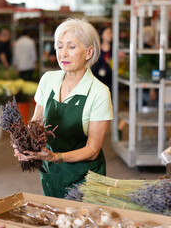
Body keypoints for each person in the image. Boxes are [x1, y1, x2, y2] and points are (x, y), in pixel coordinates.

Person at [14, 19, 113, 198]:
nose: (63, 54)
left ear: (89, 52)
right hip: (51, 173)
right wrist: (24, 143)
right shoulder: (48, 80)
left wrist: (56, 157)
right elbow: (37, 122)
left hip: (85, 177)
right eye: (59, 47)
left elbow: (92, 150)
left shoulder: (99, 92)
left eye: (71, 47)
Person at [91, 27, 113, 93]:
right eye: (108, 33)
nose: (110, 35)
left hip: (110, 79)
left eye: (111, 33)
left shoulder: (114, 50)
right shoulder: (96, 49)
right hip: (97, 78)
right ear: (102, 35)